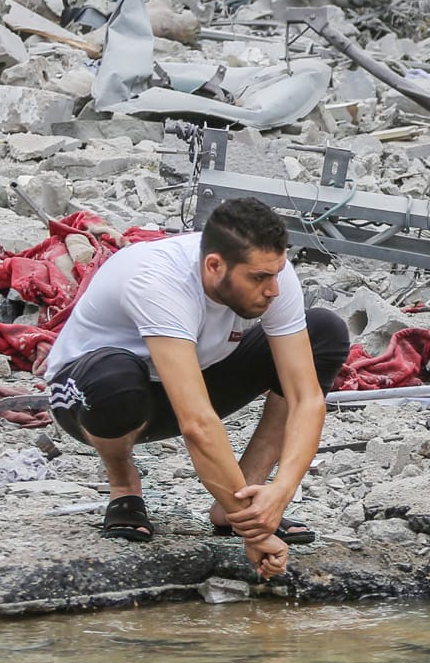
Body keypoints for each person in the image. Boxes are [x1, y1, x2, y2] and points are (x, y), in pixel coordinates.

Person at [42, 195, 349, 578]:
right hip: (90, 397)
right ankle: (124, 485)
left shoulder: (272, 276)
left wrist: (274, 499)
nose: (273, 290)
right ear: (214, 265)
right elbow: (197, 423)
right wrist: (258, 535)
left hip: (190, 380)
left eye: (276, 274)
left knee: (324, 330)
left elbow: (307, 398)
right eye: (258, 278)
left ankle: (241, 501)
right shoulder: (159, 281)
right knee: (115, 382)